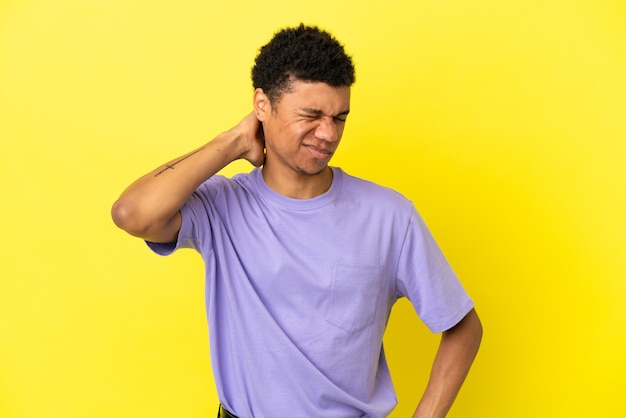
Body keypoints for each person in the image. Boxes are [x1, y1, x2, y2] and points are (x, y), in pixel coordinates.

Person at [112, 24, 482, 418]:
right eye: (311, 114)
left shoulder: (389, 215)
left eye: (340, 117)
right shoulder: (221, 206)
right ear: (262, 106)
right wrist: (233, 142)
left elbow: (463, 327)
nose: (328, 133)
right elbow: (132, 213)